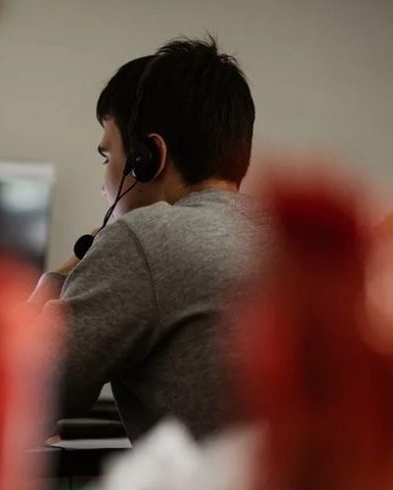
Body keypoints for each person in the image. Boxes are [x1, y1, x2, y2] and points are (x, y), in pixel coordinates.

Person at [30, 37, 269, 442]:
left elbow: (26, 392)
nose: (103, 185)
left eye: (108, 157)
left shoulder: (143, 239)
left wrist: (59, 275)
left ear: (147, 158)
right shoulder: (283, 236)